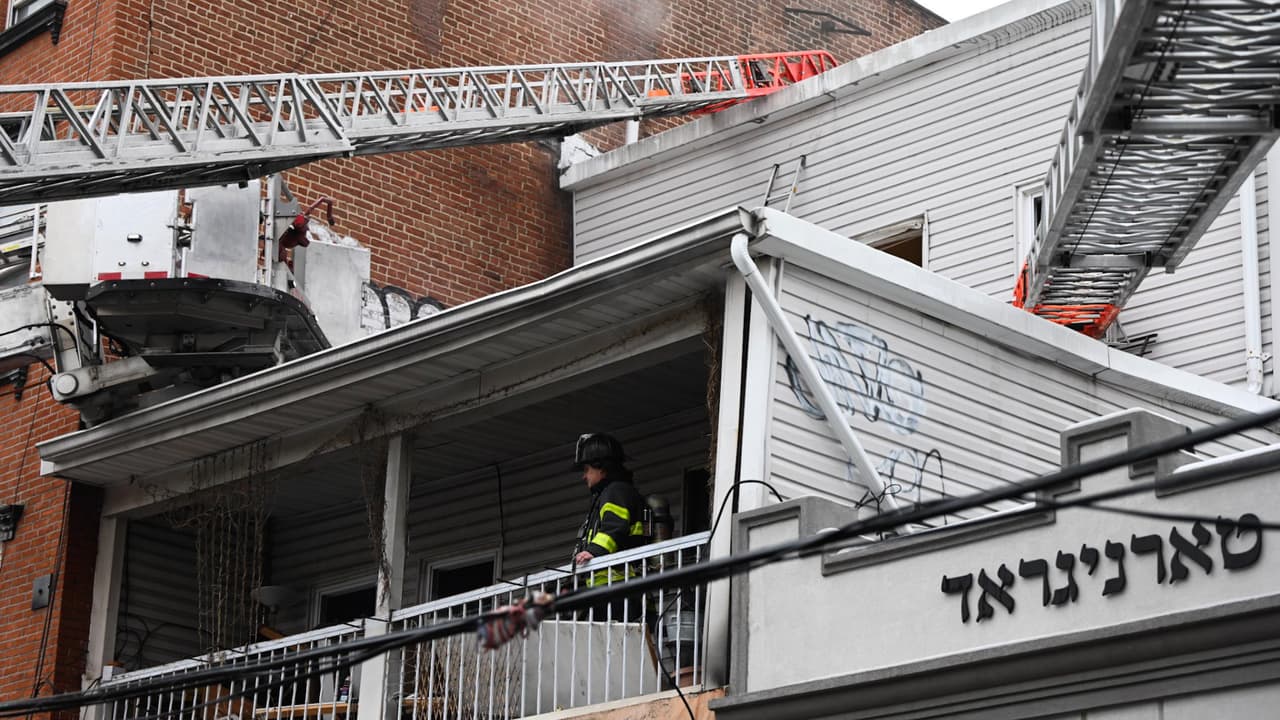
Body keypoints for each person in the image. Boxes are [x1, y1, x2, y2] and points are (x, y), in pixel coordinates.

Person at [571, 433, 649, 617]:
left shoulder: (616, 491)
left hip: (617, 590)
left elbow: (615, 527)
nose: (584, 476)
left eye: (587, 469)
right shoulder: (610, 493)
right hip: (609, 590)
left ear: (602, 468)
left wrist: (594, 551)